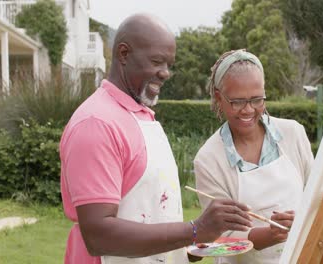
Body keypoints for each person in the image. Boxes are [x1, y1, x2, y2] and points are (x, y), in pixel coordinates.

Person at [59, 14, 253, 264]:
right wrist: (194, 230)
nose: (166, 73)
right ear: (124, 54)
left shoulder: (142, 117)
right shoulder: (96, 123)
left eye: (169, 64)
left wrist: (191, 243)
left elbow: (152, 214)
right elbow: (98, 235)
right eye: (157, 62)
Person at [193, 49, 314, 264]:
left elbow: (315, 200)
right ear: (219, 98)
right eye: (237, 102)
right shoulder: (209, 159)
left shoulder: (293, 133)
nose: (248, 110)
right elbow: (221, 238)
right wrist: (270, 235)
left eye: (257, 99)